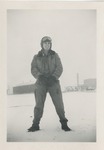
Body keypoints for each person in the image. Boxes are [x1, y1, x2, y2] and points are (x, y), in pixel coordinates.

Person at [28, 36, 71, 132]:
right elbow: (33, 68)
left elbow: (59, 67)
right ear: (42, 45)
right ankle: (35, 125)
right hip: (41, 83)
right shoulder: (36, 57)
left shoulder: (55, 55)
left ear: (50, 45)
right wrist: (39, 76)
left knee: (59, 104)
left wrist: (54, 77)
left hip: (53, 82)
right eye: (45, 43)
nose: (47, 45)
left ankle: (64, 124)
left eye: (48, 43)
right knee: (38, 105)